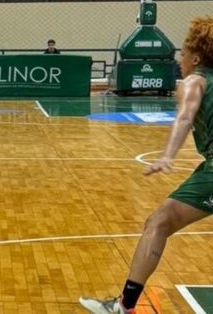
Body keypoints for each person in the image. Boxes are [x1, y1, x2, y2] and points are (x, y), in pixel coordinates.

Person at [79, 16, 213, 314]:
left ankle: (123, 307)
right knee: (160, 221)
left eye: (181, 54)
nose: (179, 61)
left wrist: (168, 155)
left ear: (195, 57)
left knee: (158, 222)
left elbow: (185, 116)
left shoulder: (195, 80)